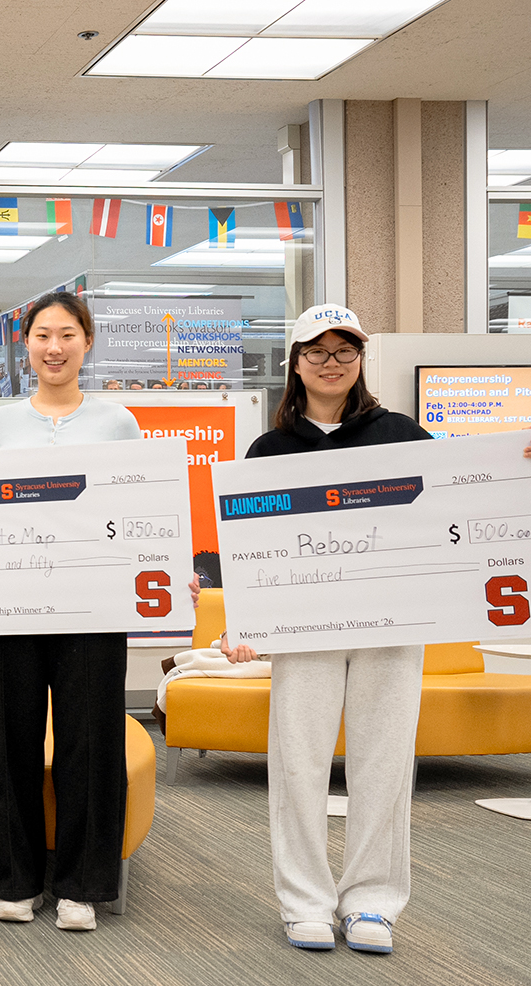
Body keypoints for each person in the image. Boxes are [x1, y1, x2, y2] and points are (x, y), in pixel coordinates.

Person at [217, 305, 531, 954]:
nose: (331, 363)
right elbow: (251, 548)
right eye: (317, 351)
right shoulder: (269, 450)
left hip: (392, 626)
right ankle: (304, 902)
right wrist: (244, 623)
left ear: (360, 360)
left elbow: (459, 503)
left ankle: (372, 903)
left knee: (384, 765)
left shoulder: (402, 434)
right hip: (305, 631)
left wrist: (514, 467)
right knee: (298, 765)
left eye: (344, 351)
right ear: (295, 363)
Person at [0, 291, 198, 932]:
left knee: (89, 745)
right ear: (27, 345)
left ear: (87, 342)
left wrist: (173, 571)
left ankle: (81, 886)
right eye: (42, 335)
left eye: (67, 335)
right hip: (9, 610)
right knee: (12, 742)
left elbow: (143, 510)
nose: (54, 347)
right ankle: (15, 879)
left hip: (92, 611)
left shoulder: (118, 422)